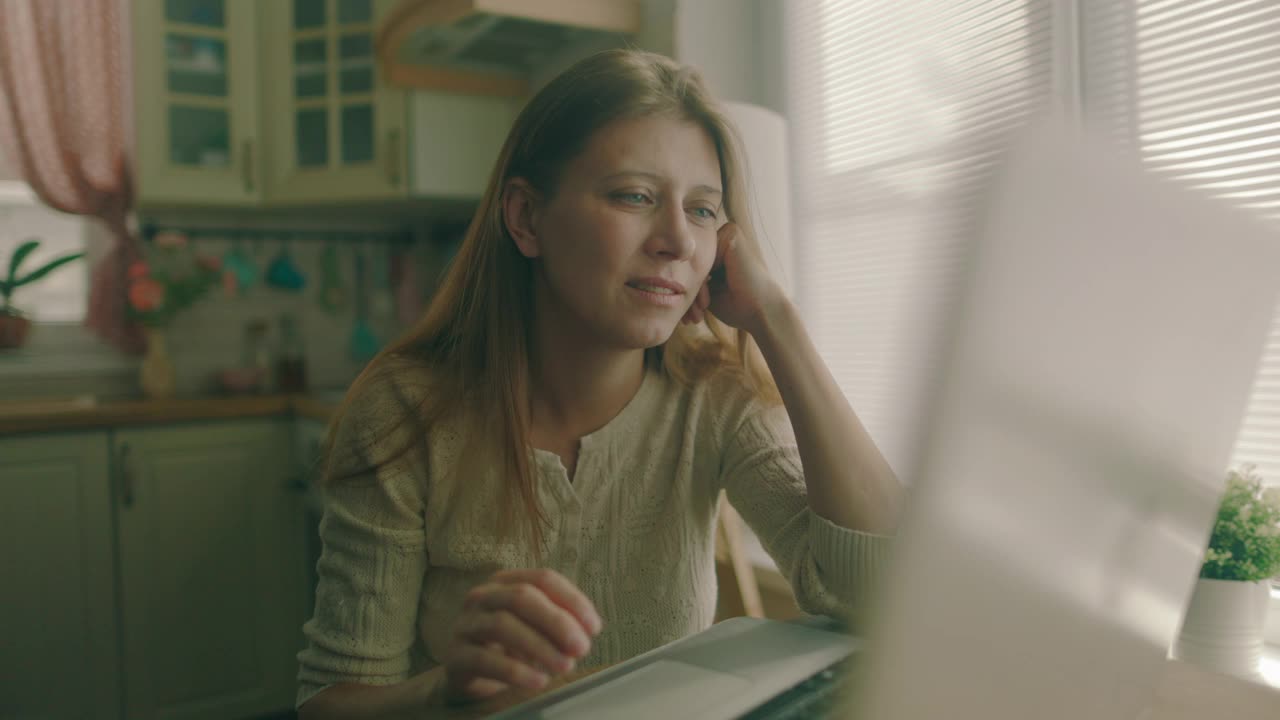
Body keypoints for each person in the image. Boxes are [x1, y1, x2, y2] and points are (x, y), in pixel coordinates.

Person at [296, 48, 903, 719]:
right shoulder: (403, 413)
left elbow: (889, 598)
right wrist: (446, 693)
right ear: (526, 219)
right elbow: (331, 704)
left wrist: (776, 321)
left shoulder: (713, 396)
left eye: (703, 210)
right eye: (635, 196)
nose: (677, 239)